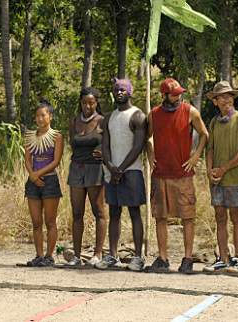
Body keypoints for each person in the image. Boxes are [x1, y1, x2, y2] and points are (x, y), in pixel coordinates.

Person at [145, 78, 208, 272]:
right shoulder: (154, 114)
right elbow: (147, 137)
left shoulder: (190, 111)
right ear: (163, 96)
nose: (178, 96)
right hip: (161, 173)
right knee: (160, 217)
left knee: (187, 217)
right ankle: (162, 258)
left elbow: (204, 134)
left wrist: (195, 156)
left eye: (180, 93)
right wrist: (150, 154)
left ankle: (187, 258)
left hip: (183, 173)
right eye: (174, 94)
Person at [95, 78, 147, 271]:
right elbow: (105, 145)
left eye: (123, 90)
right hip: (112, 171)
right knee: (114, 212)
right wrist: (110, 167)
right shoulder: (109, 118)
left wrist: (121, 169)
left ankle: (138, 257)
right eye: (116, 90)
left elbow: (138, 146)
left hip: (131, 171)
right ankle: (113, 255)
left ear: (130, 93)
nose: (119, 93)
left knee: (134, 212)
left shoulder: (138, 116)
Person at [203, 81, 238, 273]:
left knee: (236, 217)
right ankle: (223, 258)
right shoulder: (214, 122)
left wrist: (223, 169)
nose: (227, 100)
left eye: (230, 96)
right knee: (220, 217)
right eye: (223, 96)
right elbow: (210, 149)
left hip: (236, 178)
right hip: (217, 179)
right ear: (215, 101)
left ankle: (237, 259)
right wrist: (210, 171)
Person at [66, 87, 107, 266]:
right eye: (84, 102)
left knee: (98, 212)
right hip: (76, 168)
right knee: (77, 214)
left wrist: (106, 156)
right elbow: (73, 145)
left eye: (91, 102)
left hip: (95, 169)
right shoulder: (73, 122)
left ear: (97, 103)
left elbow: (111, 144)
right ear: (80, 103)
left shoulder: (102, 122)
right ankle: (76, 255)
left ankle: (97, 254)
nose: (88, 106)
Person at [24, 97, 64, 267]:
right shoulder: (31, 136)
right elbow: (27, 159)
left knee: (50, 221)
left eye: (43, 115)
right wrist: (32, 175)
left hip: (49, 181)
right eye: (37, 116)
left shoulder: (56, 136)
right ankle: (39, 256)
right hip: (33, 183)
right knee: (36, 222)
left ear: (51, 116)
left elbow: (56, 161)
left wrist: (38, 174)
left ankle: (49, 256)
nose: (40, 119)